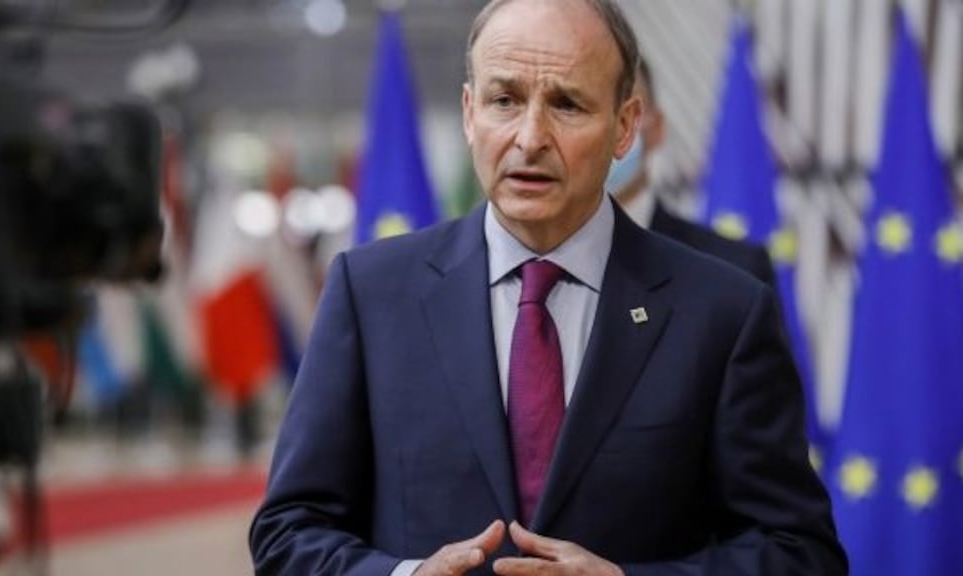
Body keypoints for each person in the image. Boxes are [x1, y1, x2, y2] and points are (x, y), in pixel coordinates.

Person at [249, 1, 846, 574]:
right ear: (468, 113)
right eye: (504, 99)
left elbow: (800, 551)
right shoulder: (370, 293)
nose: (530, 137)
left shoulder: (723, 311)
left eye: (566, 105)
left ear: (626, 127)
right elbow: (289, 531)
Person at [606, 59, 776, 286]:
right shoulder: (544, 268)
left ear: (656, 129)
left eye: (624, 113)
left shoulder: (735, 272)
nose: (602, 129)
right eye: (578, 108)